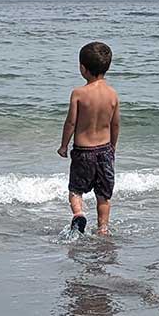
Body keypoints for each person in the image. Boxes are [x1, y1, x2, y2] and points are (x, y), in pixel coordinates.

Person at [57, 41, 120, 235]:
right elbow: (115, 124)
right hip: (104, 151)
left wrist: (63, 146)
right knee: (103, 196)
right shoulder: (112, 94)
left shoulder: (79, 93)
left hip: (83, 151)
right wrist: (113, 147)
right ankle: (103, 228)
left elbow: (70, 123)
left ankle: (78, 214)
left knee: (76, 190)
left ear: (83, 68)